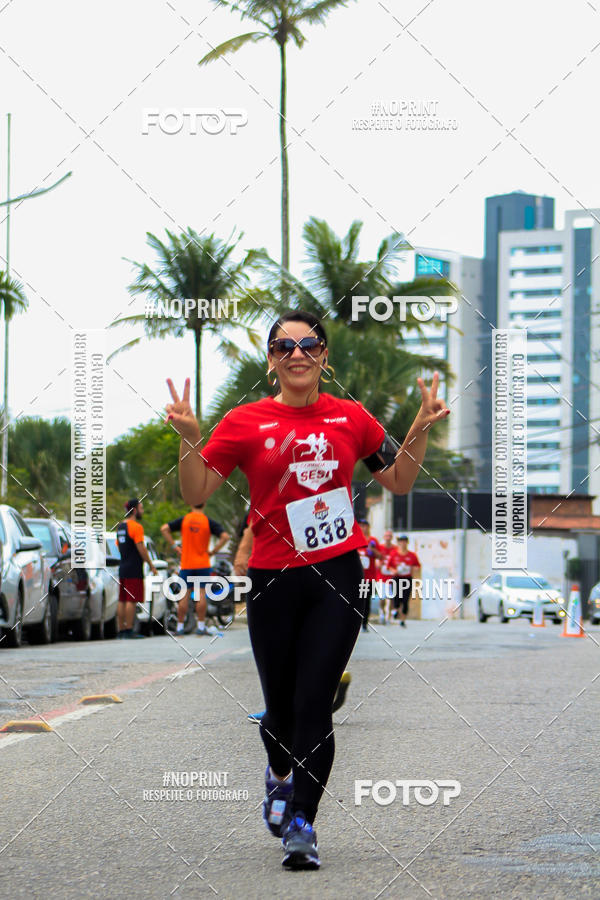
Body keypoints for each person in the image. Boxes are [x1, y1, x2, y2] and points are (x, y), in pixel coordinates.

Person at [165, 309, 449, 870]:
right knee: (280, 713)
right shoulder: (245, 422)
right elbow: (195, 491)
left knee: (315, 703)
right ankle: (278, 772)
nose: (297, 354)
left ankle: (302, 822)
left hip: (338, 575)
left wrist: (417, 430)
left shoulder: (352, 419)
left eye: (309, 344)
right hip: (273, 578)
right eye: (283, 347)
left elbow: (399, 480)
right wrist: (189, 439)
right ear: (271, 362)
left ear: (324, 357)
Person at [234, 514, 353, 721]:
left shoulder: (266, 500)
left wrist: (243, 553)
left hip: (281, 570)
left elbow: (251, 527)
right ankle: (324, 688)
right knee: (310, 642)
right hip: (323, 568)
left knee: (285, 650)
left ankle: (283, 708)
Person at [160, 505, 230, 636]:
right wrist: (213, 551)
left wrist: (175, 547)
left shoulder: (184, 520)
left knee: (184, 596)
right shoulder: (208, 521)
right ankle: (201, 627)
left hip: (187, 564)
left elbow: (164, 529)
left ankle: (180, 628)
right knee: (201, 595)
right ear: (203, 504)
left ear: (192, 504)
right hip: (203, 563)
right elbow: (225, 536)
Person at [116, 498, 158, 639]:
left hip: (123, 567)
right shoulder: (136, 527)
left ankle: (121, 630)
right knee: (131, 600)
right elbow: (141, 548)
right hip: (134, 569)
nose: (142, 511)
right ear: (134, 510)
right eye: (141, 508)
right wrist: (151, 565)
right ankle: (129, 630)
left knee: (122, 600)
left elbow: (118, 546)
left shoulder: (120, 527)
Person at [356, 518, 383, 631]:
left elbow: (380, 556)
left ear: (368, 527)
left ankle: (364, 623)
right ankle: (356, 622)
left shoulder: (372, 541)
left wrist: (372, 549)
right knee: (357, 600)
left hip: (369, 578)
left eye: (365, 526)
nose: (363, 528)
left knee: (366, 600)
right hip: (357, 576)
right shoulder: (355, 539)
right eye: (361, 526)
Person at [393, 535, 421, 627]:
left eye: (404, 541)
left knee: (405, 600)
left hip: (407, 579)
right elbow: (389, 566)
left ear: (407, 543)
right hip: (397, 578)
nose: (402, 543)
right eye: (401, 541)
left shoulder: (412, 555)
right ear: (398, 543)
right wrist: (394, 571)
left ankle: (402, 620)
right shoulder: (394, 554)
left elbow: (418, 566)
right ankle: (396, 610)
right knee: (397, 598)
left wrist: (413, 568)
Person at [378, 530, 400, 625]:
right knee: (382, 598)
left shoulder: (395, 548)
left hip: (391, 577)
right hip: (381, 576)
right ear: (384, 537)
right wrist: (378, 564)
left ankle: (389, 616)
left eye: (390, 536)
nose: (388, 537)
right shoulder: (380, 547)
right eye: (386, 536)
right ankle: (382, 613)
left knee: (390, 597)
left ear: (392, 537)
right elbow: (376, 559)